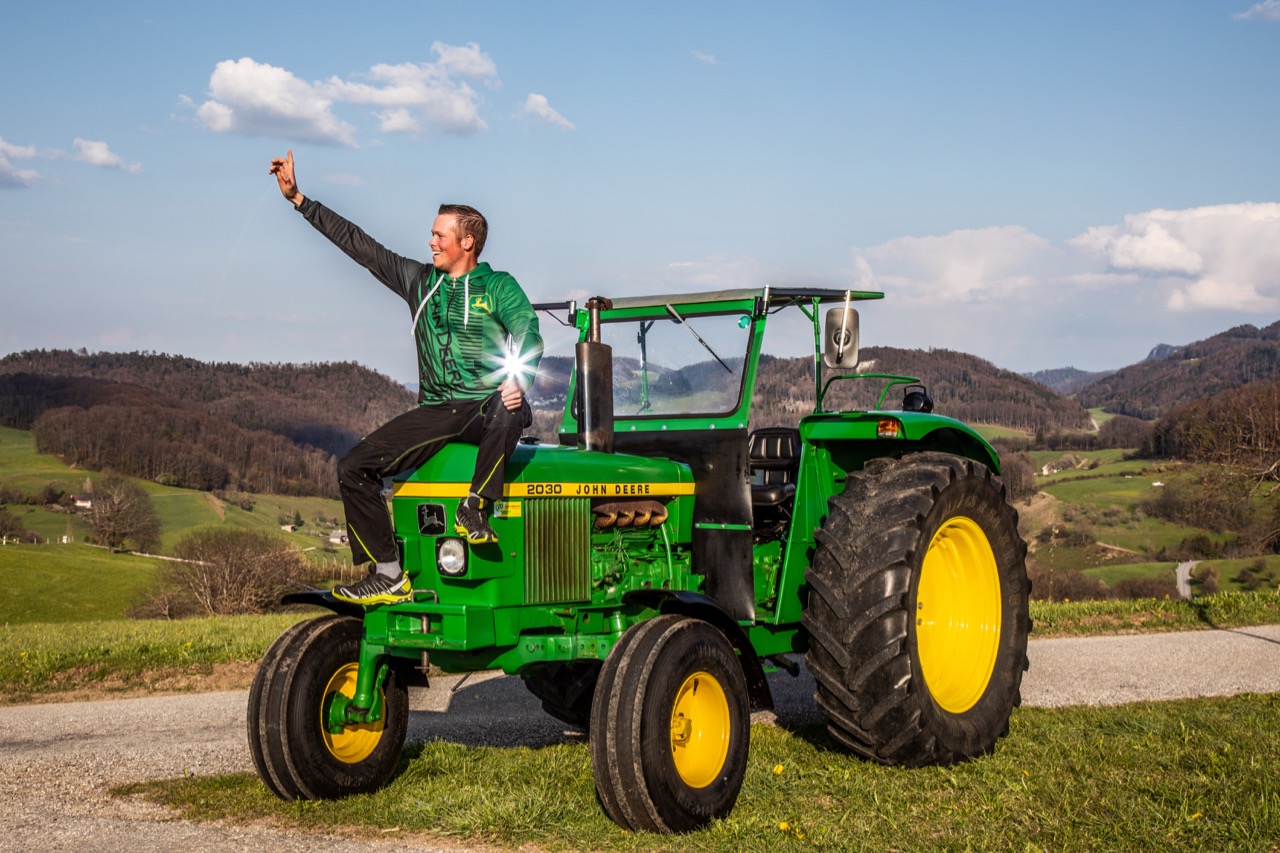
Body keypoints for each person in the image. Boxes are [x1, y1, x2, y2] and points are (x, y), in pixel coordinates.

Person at [269, 150, 543, 606]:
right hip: (437, 411)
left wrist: (521, 378)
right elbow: (359, 245)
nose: (430, 242)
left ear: (467, 242)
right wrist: (300, 199)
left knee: (511, 406)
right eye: (432, 234)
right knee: (353, 467)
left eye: (439, 235)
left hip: (484, 406)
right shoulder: (419, 281)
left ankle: (476, 507)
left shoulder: (499, 287)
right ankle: (389, 573)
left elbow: (529, 332)